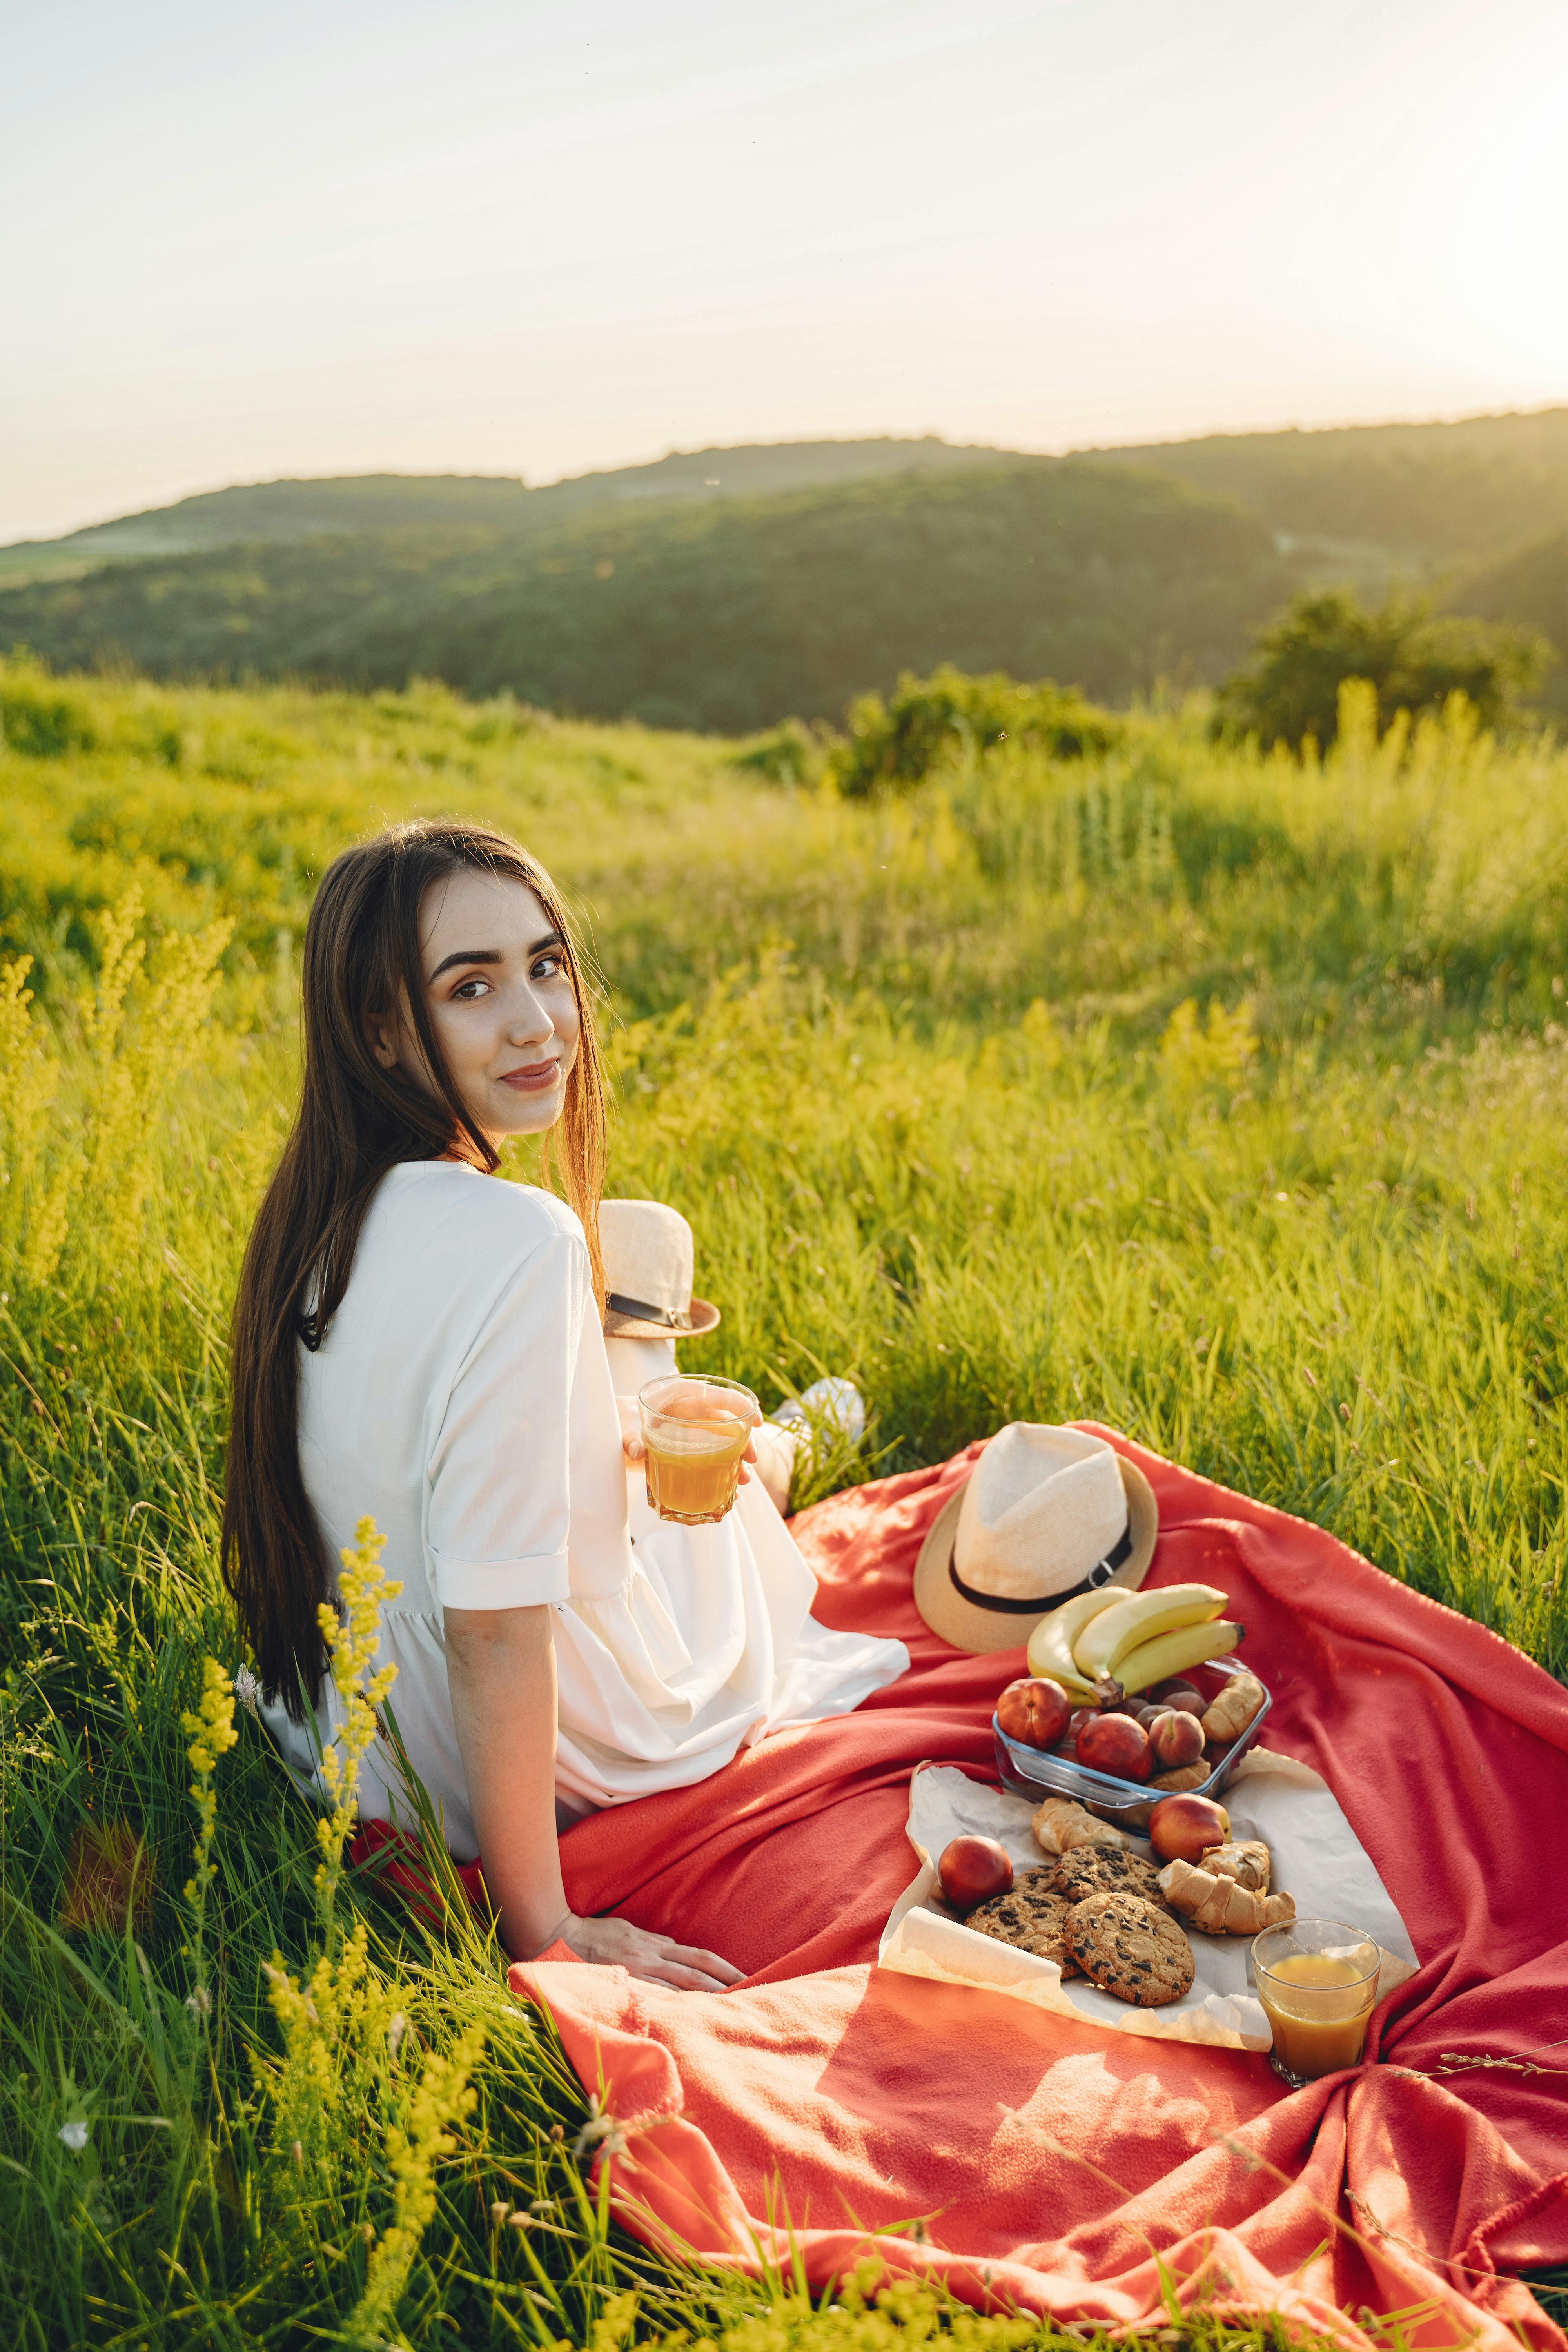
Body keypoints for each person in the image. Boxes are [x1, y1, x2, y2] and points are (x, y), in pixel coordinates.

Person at [221, 818, 907, 1989]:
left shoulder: (316, 1210)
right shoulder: (520, 1237)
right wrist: (545, 1929)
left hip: (361, 1718)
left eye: (545, 965)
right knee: (710, 1463)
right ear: (383, 1029)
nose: (539, 1020)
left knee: (638, 1386)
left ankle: (753, 1436)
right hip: (536, 1738)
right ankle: (790, 1451)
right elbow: (497, 1630)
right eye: (472, 987)